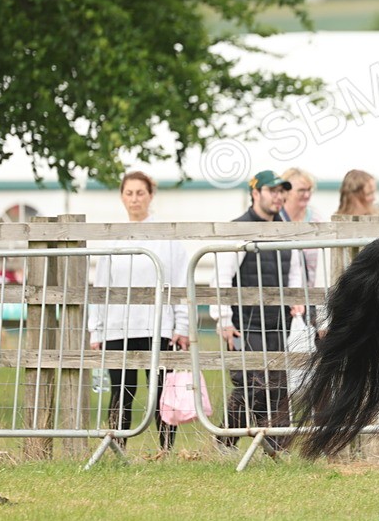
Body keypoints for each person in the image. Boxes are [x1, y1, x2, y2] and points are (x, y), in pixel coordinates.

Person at [87, 171, 190, 452]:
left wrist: (182, 325)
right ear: (122, 197)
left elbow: (180, 281)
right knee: (122, 391)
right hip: (117, 327)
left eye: (140, 193)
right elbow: (101, 285)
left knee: (161, 391)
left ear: (150, 195)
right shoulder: (112, 237)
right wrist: (96, 329)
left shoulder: (167, 238)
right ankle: (118, 448)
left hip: (158, 326)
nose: (134, 199)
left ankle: (165, 450)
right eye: (129, 193)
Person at [211, 170, 305, 451]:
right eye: (272, 190)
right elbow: (221, 277)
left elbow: (294, 272)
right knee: (251, 385)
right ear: (255, 193)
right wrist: (223, 319)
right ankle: (225, 443)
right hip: (245, 323)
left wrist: (297, 300)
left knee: (278, 388)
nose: (278, 196)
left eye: (282, 191)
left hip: (279, 323)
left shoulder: (287, 230)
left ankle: (277, 448)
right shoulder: (238, 229)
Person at [279, 166, 323, 287]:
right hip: (283, 291)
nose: (307, 195)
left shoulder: (317, 219)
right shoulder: (276, 219)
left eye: (309, 190)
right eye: (301, 190)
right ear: (286, 192)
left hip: (312, 290)